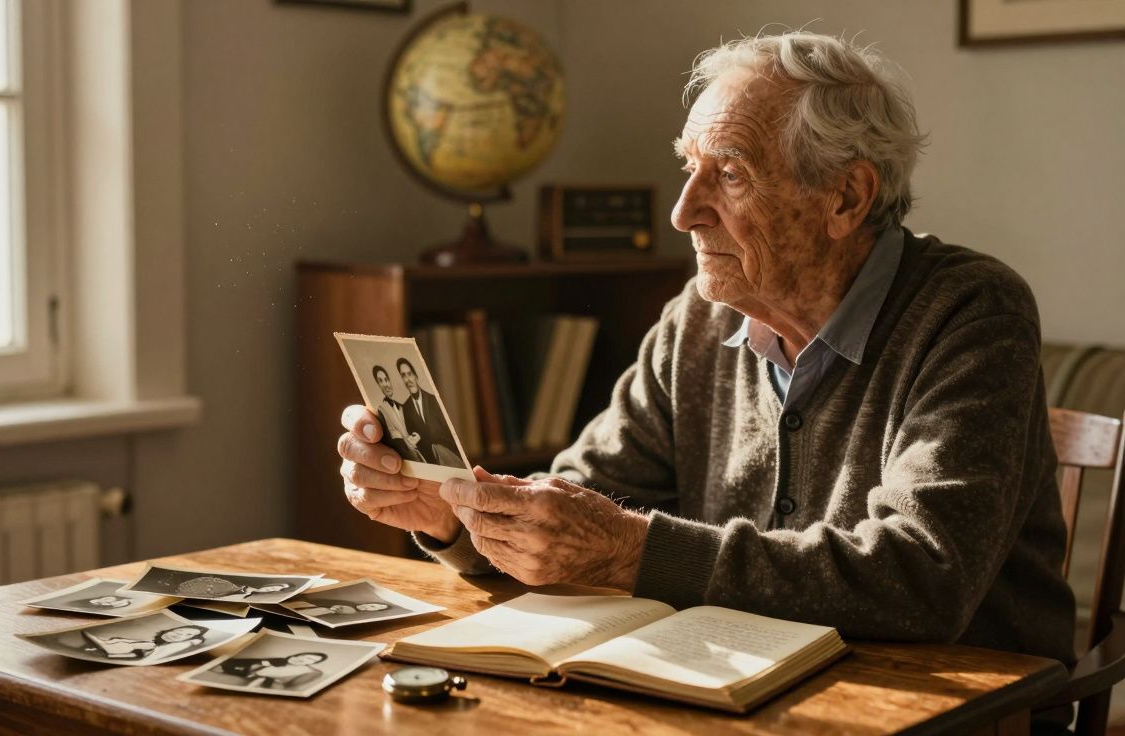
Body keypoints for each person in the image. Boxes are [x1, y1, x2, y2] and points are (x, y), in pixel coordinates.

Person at [337, 29, 1075, 731]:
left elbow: (921, 578)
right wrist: (451, 514)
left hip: (956, 713)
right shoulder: (697, 318)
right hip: (737, 699)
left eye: (729, 174)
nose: (683, 212)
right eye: (688, 167)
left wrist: (630, 549)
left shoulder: (972, 312)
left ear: (846, 198)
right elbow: (576, 508)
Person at [394, 357, 461, 467]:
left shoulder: (434, 400)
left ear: (415, 376)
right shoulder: (405, 409)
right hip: (429, 464)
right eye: (404, 376)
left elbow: (445, 433)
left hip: (448, 458)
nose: (408, 379)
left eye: (409, 374)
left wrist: (422, 437)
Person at [372, 364, 425, 462]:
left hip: (418, 452)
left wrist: (417, 436)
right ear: (378, 385)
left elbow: (414, 428)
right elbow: (393, 439)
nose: (386, 384)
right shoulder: (381, 410)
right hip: (405, 458)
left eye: (386, 380)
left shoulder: (402, 406)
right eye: (381, 381)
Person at [82, 624, 209, 661]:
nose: (179, 634)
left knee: (145, 646)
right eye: (180, 630)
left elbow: (140, 654)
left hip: (143, 654)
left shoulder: (177, 646)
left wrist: (194, 641)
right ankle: (105, 644)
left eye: (187, 635)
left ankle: (107, 647)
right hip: (141, 649)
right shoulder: (152, 643)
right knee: (124, 640)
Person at [220, 652, 328, 690]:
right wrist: (260, 663)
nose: (303, 659)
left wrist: (265, 679)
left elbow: (290, 688)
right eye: (304, 656)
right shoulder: (279, 661)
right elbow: (228, 663)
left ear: (314, 663)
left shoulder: (312, 672)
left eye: (311, 660)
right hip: (237, 679)